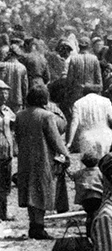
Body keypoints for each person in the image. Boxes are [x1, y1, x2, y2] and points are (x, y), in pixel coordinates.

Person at [16, 84, 69, 239]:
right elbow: (55, 139)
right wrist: (65, 155)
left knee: (29, 191)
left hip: (25, 158)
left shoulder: (20, 115)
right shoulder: (47, 116)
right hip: (42, 158)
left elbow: (18, 136)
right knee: (41, 191)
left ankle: (33, 225)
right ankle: (39, 227)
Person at [0, 80, 15, 220]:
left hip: (6, 151)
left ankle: (3, 212)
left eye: (6, 92)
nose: (4, 95)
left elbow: (16, 124)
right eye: (1, 92)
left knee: (5, 184)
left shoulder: (7, 111)